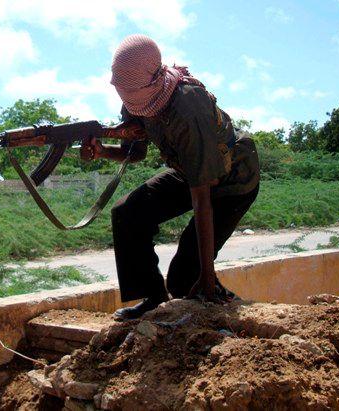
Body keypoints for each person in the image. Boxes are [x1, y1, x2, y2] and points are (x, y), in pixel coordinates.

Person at [81, 34, 260, 320]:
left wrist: (206, 275)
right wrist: (102, 151)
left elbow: (203, 198)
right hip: (189, 169)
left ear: (153, 82)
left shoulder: (190, 107)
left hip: (233, 179)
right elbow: (135, 152)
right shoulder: (135, 97)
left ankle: (236, 312)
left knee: (186, 279)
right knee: (128, 213)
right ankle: (153, 298)